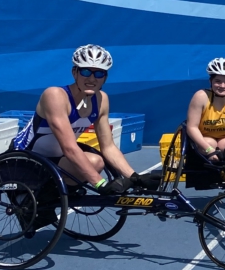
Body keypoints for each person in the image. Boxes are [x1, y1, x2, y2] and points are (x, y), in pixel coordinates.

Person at [11, 44, 156, 230]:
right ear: (75, 72)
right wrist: (100, 184)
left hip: (56, 160)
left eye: (99, 73)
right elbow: (70, 148)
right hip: (25, 160)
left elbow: (109, 147)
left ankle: (47, 199)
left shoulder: (101, 99)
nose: (91, 79)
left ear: (105, 77)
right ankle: (32, 203)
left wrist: (135, 177)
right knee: (91, 164)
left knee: (96, 160)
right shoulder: (55, 95)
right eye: (86, 71)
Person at [185, 58, 225, 162]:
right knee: (210, 143)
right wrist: (209, 149)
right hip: (204, 139)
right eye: (218, 81)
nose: (222, 86)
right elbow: (192, 127)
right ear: (211, 81)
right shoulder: (200, 96)